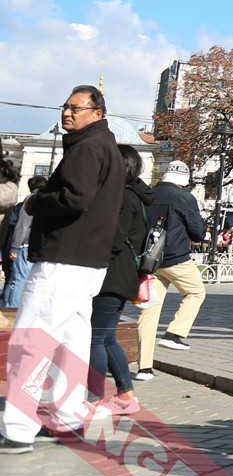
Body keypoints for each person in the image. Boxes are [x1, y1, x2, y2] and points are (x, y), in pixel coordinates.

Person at [3, 86, 124, 452]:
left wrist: (34, 201)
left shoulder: (87, 148)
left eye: (76, 108)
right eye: (65, 107)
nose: (68, 113)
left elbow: (75, 198)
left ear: (97, 112)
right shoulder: (107, 148)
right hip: (87, 261)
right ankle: (68, 417)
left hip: (63, 259)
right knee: (72, 342)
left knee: (32, 340)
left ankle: (16, 426)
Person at [91, 145, 154, 416]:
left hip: (110, 273)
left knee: (94, 338)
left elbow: (110, 237)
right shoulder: (136, 196)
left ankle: (94, 399)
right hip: (123, 273)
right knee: (106, 337)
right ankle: (126, 396)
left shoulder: (119, 197)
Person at [136, 158, 208, 368]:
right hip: (176, 258)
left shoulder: (147, 195)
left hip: (150, 261)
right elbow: (197, 232)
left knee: (149, 311)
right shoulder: (184, 198)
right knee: (196, 292)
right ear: (184, 180)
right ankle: (174, 333)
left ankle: (144, 367)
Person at [3, 176, 46, 310]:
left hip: (24, 245)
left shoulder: (31, 199)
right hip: (33, 245)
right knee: (20, 281)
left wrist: (14, 247)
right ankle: (9, 308)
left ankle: (8, 309)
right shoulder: (43, 199)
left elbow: (22, 225)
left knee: (17, 280)